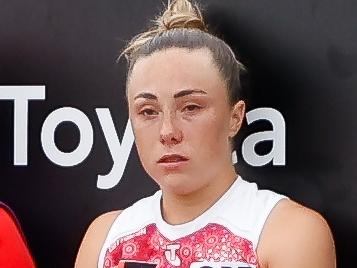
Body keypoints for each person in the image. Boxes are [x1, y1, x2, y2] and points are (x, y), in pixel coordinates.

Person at [75, 0, 336, 267]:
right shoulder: (105, 237)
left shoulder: (288, 233)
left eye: (190, 107)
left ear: (235, 117)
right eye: (148, 111)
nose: (168, 132)